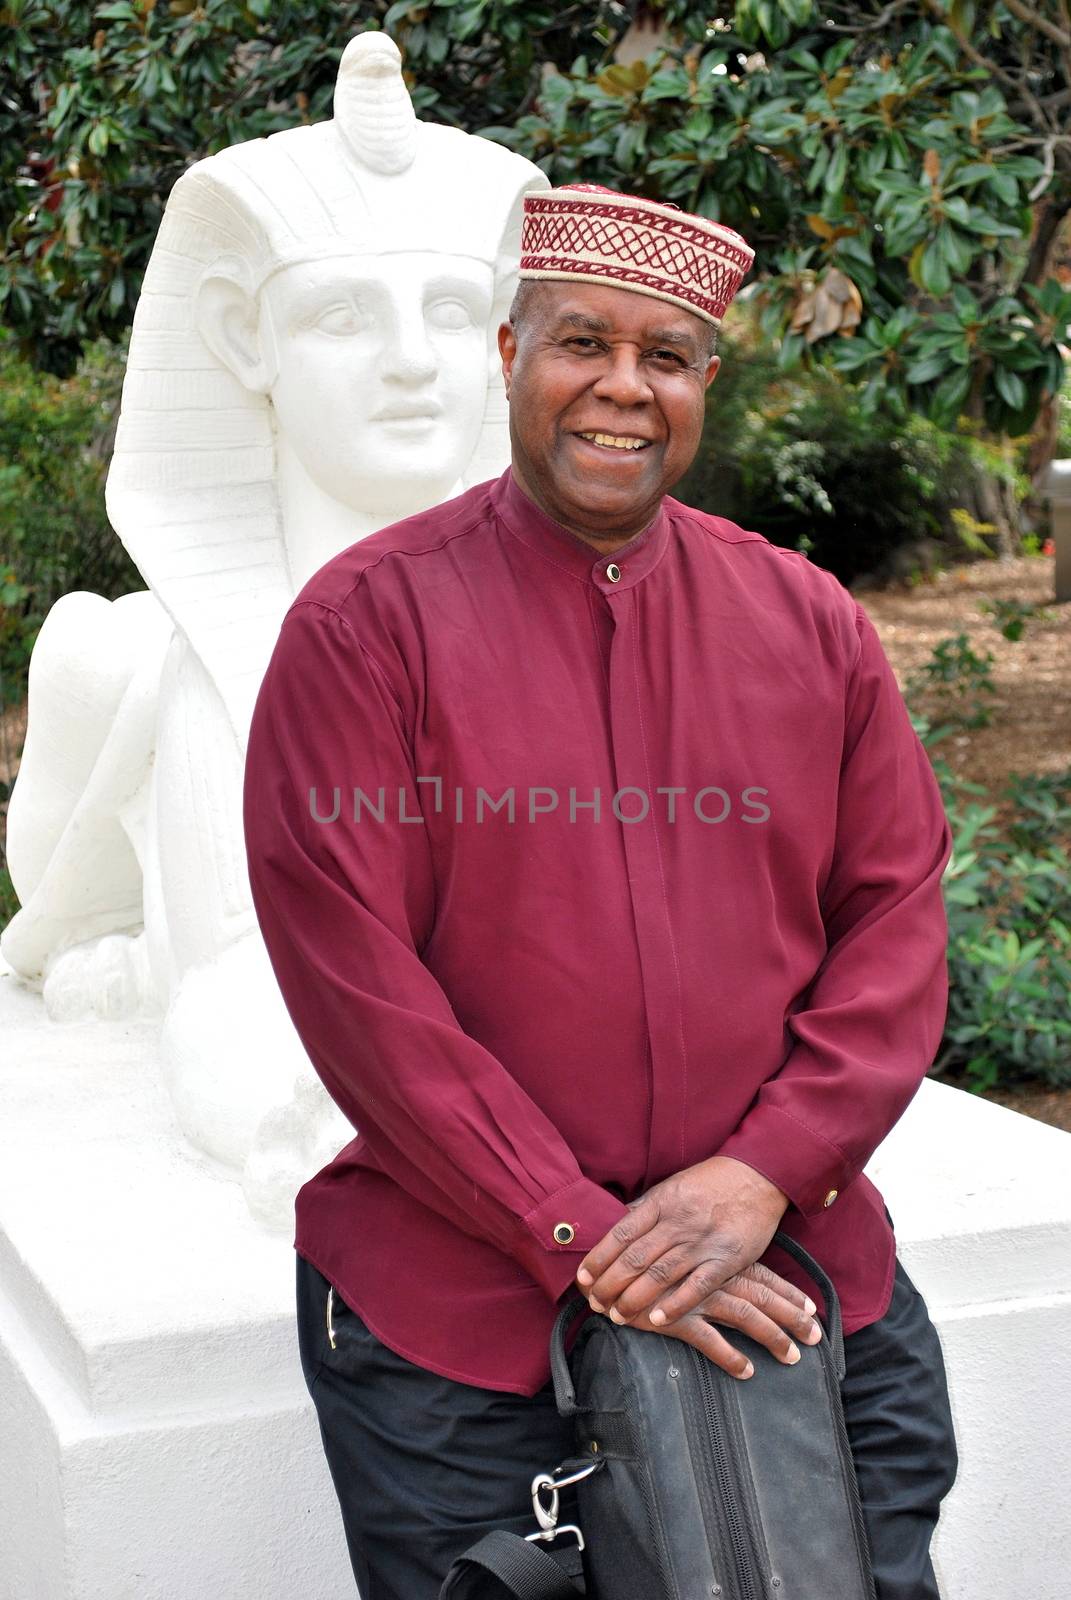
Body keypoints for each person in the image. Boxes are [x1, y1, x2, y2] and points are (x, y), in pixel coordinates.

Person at [243, 183, 959, 1599]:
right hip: (458, 1326)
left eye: (667, 356)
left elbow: (895, 922)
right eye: (582, 342)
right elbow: (357, 980)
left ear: (707, 381)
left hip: (797, 1283)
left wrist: (761, 1173)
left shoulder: (809, 623)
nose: (621, 389)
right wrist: (580, 1230)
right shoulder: (364, 628)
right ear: (510, 356)